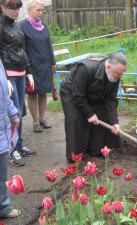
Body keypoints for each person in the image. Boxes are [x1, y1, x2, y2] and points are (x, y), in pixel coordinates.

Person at [60, 53, 127, 162]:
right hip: (72, 92)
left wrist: (114, 122)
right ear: (109, 67)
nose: (120, 77)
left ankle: (97, 149)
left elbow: (110, 99)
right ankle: (75, 156)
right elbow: (78, 95)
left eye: (122, 74)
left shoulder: (115, 76)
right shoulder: (86, 69)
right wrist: (90, 113)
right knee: (76, 119)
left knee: (103, 114)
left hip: (94, 92)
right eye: (119, 73)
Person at [0, 0, 37, 167]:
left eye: (18, 7)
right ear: (2, 7)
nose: (16, 11)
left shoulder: (17, 27)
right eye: (12, 7)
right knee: (12, 112)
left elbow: (24, 51)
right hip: (8, 74)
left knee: (20, 110)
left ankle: (19, 145)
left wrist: (29, 72)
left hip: (21, 73)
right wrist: (3, 79)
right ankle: (11, 150)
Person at [20, 0, 56, 133]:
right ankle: (35, 122)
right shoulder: (22, 26)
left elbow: (49, 45)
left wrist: (53, 62)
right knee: (32, 93)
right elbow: (22, 49)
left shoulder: (43, 26)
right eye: (38, 10)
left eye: (42, 10)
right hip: (32, 67)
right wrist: (26, 67)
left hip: (45, 65)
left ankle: (42, 119)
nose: (41, 13)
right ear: (29, 11)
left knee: (43, 93)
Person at [0, 59, 20, 218]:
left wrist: (13, 113)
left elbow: (3, 93)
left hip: (2, 125)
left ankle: (3, 206)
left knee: (2, 169)